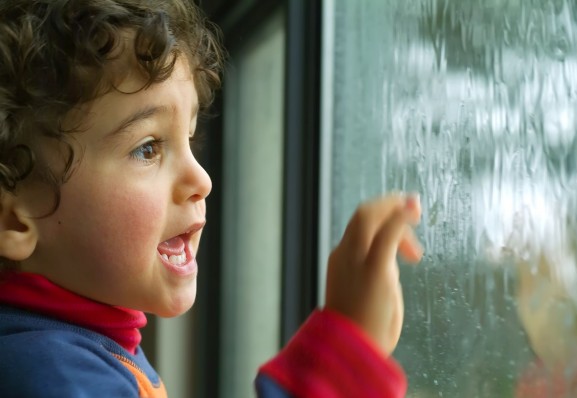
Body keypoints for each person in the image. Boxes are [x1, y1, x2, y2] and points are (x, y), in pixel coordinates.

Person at [0, 1, 424, 397]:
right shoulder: (49, 373)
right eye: (148, 148)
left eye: (189, 139)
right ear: (15, 222)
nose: (201, 178)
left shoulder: (81, 347)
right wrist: (341, 357)